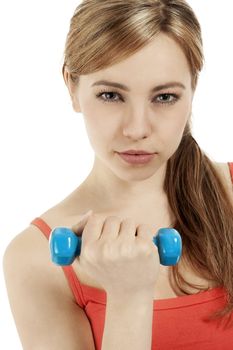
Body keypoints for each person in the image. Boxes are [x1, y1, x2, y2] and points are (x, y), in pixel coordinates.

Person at [3, 0, 233, 349]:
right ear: (72, 87)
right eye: (111, 95)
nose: (137, 128)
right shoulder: (35, 258)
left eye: (166, 97)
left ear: (193, 89)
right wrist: (128, 299)